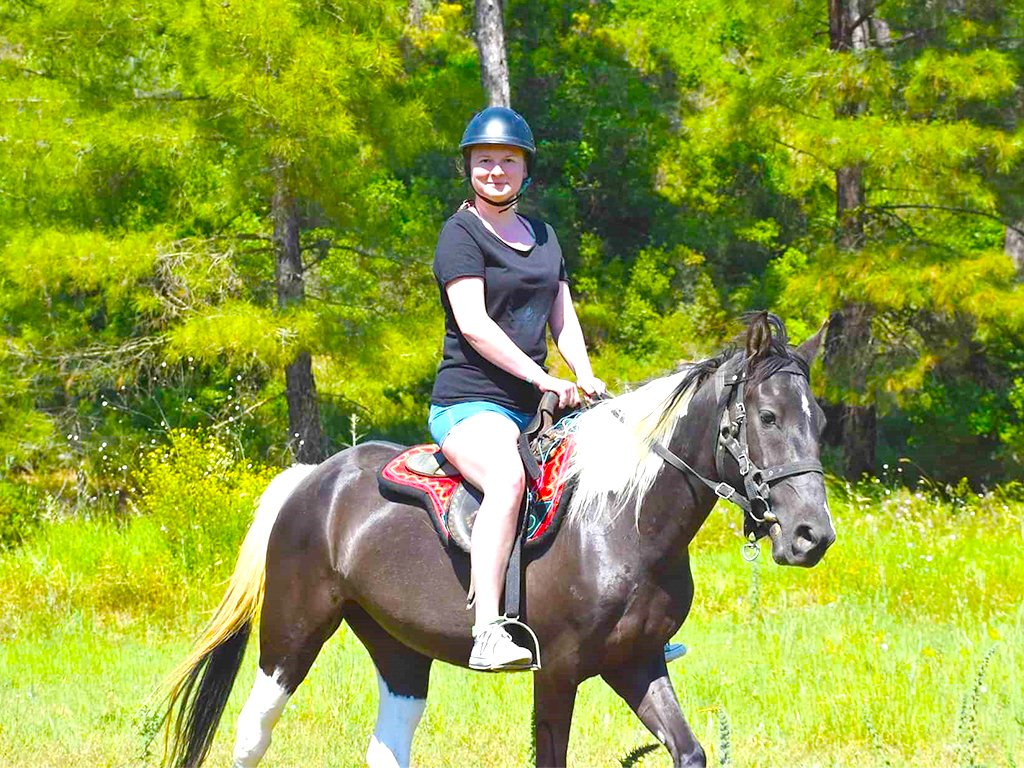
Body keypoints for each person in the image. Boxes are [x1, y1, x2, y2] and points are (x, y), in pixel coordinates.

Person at [429, 106, 685, 671]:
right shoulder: (459, 235)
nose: (496, 170)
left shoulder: (543, 236)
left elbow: (561, 317)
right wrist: (542, 376)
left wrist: (584, 372)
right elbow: (474, 324)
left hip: (531, 407)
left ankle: (633, 622)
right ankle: (488, 629)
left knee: (615, 474)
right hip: (470, 403)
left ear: (526, 171)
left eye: (508, 161)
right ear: (469, 167)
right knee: (509, 478)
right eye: (485, 160)